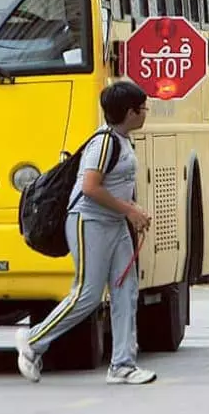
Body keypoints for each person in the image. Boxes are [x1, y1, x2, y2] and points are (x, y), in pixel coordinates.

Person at [14, 81, 156, 385]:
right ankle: (32, 340)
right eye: (143, 108)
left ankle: (123, 365)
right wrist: (130, 210)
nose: (146, 113)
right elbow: (90, 188)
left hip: (114, 224)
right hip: (88, 221)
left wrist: (130, 211)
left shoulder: (122, 139)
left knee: (125, 290)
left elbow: (113, 186)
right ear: (131, 112)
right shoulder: (105, 142)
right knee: (88, 293)